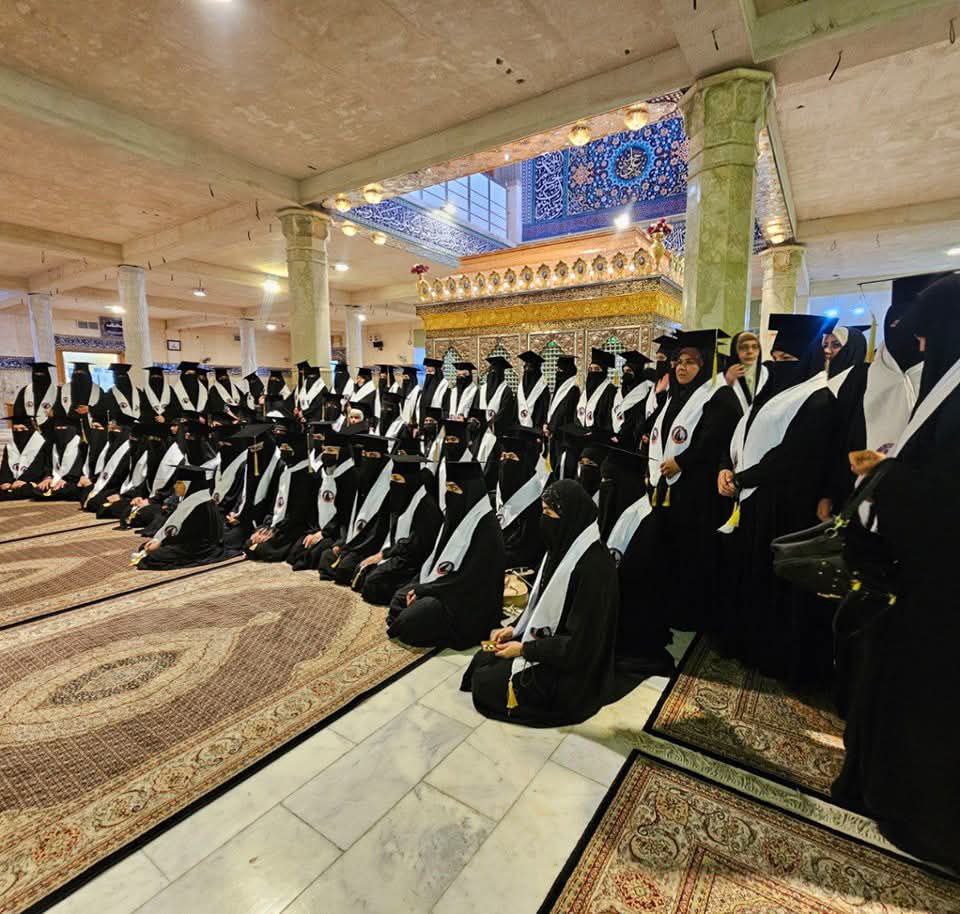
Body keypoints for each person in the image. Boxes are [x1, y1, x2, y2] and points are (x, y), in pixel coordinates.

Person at [832, 273, 960, 871]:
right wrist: (887, 466)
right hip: (917, 581)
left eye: (929, 337)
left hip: (941, 592)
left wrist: (886, 477)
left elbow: (945, 497)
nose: (922, 348)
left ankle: (923, 818)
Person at [717, 313, 838, 684]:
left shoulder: (818, 399)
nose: (779, 365)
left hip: (783, 508)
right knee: (747, 577)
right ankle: (743, 641)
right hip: (751, 502)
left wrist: (742, 479)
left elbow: (790, 457)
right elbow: (740, 435)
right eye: (777, 358)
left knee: (774, 585)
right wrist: (725, 468)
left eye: (789, 360)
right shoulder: (769, 397)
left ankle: (771, 654)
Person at [461, 479, 618, 727]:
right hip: (549, 644)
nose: (543, 520)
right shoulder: (562, 548)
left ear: (570, 516)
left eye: (549, 513)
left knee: (486, 683)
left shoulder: (594, 568)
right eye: (543, 511)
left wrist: (524, 650)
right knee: (483, 657)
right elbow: (542, 604)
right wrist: (515, 629)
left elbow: (579, 644)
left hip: (571, 667)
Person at [647, 330, 741, 631]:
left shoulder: (720, 396)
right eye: (678, 361)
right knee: (671, 549)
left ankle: (692, 613)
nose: (681, 367)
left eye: (690, 362)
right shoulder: (677, 395)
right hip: (671, 489)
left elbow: (715, 440)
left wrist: (682, 462)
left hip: (700, 492)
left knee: (694, 552)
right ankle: (670, 605)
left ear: (706, 365)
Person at [387, 460, 505, 649]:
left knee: (410, 621)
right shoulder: (455, 515)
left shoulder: (487, 528)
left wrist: (425, 590)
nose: (450, 494)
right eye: (448, 488)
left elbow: (467, 579)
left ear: (471, 490)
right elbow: (437, 560)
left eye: (455, 488)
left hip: (465, 599)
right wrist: (421, 587)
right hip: (444, 587)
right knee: (399, 598)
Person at [355, 454, 443, 605]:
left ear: (411, 480)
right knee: (362, 570)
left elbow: (416, 545)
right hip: (400, 554)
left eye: (398, 479)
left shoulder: (426, 506)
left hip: (414, 561)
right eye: (392, 479)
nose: (394, 484)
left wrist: (384, 554)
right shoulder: (403, 497)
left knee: (373, 582)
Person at [316, 434, 393, 584]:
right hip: (353, 540)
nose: (367, 459)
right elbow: (349, 516)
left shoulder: (388, 488)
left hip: (370, 545)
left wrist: (355, 547)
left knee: (345, 568)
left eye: (373, 456)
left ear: (383, 459)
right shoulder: (361, 479)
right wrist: (343, 542)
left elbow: (380, 529)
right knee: (326, 557)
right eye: (364, 454)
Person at [245, 417, 316, 562]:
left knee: (261, 549)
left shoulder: (306, 475)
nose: (283, 453)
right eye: (282, 449)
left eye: (287, 449)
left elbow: (297, 513)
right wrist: (267, 525)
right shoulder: (284, 469)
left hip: (294, 526)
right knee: (250, 542)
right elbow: (275, 503)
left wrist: (275, 530)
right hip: (279, 524)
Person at [288, 425, 358, 571]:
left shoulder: (350, 477)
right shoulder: (321, 472)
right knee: (295, 552)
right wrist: (314, 531)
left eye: (331, 451)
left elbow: (345, 513)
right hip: (319, 527)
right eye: (325, 450)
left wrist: (324, 533)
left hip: (337, 532)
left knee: (314, 556)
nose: (326, 454)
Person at [134, 463, 229, 569]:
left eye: (179, 483)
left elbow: (186, 535)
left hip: (200, 547)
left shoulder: (200, 505)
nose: (175, 487)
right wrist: (158, 540)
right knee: (145, 547)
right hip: (188, 542)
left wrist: (161, 542)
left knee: (153, 557)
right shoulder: (193, 499)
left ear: (189, 485)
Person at [496, 427, 546, 571]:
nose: (506, 462)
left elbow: (528, 550)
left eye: (512, 457)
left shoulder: (538, 503)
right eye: (503, 457)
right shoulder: (497, 495)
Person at [80, 418, 133, 514]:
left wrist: (121, 495)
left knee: (97, 503)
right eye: (110, 429)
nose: (112, 432)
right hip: (107, 485)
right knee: (87, 497)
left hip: (121, 489)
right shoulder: (110, 446)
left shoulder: (129, 451)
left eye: (115, 429)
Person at [32, 414, 87, 501]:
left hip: (73, 480)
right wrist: (48, 477)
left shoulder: (81, 445)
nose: (60, 430)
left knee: (70, 490)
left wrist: (67, 479)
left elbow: (80, 468)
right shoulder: (52, 444)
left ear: (72, 428)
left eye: (64, 428)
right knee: (38, 489)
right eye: (58, 428)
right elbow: (48, 465)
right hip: (56, 478)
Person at [611, 350, 653, 451]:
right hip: (616, 438)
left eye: (629, 371)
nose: (626, 374)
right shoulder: (620, 391)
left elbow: (637, 417)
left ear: (637, 372)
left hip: (633, 441)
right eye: (624, 371)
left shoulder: (646, 391)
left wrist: (622, 435)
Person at [545, 354, 579, 476]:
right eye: (557, 369)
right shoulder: (559, 388)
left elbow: (564, 412)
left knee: (562, 468)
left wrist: (551, 427)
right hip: (554, 434)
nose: (558, 373)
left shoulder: (573, 389)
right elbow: (553, 410)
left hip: (564, 437)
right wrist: (547, 424)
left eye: (560, 370)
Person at [0, 415, 49, 500]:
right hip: (13, 481)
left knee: (28, 489)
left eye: (22, 429)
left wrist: (23, 480)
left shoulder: (40, 442)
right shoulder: (10, 445)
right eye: (15, 430)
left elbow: (38, 466)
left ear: (30, 429)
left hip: (32, 480)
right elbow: (5, 466)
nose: (19, 432)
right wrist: (5, 481)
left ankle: (9, 493)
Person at [576, 348, 616, 430]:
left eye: (597, 369)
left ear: (603, 371)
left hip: (600, 433)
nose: (593, 372)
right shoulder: (587, 390)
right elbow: (578, 411)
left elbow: (609, 417)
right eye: (590, 369)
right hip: (583, 432)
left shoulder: (610, 389)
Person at [13, 361, 56, 428]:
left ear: (48, 375)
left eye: (42, 374)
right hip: (29, 427)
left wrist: (55, 413)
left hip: (51, 427)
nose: (39, 377)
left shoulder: (56, 390)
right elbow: (18, 411)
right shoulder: (25, 390)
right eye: (36, 374)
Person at [480, 355, 516, 429]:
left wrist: (490, 424)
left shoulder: (506, 390)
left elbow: (505, 413)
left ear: (501, 374)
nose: (493, 374)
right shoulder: (482, 389)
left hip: (499, 430)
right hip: (481, 429)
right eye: (491, 371)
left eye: (496, 372)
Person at [516, 351, 549, 430]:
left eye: (530, 368)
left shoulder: (543, 388)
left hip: (536, 429)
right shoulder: (521, 387)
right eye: (525, 368)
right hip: (520, 428)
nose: (527, 370)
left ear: (537, 370)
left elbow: (545, 411)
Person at [420, 358, 449, 423]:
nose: (428, 374)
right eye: (427, 372)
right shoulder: (425, 386)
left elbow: (446, 408)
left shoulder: (445, 386)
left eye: (431, 371)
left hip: (437, 421)